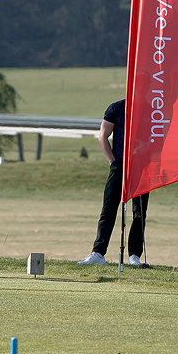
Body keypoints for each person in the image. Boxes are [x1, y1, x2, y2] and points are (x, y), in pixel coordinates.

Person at [78, 99, 150, 267]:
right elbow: (103, 136)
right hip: (119, 164)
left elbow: (157, 136)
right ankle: (98, 252)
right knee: (109, 208)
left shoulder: (150, 109)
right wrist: (113, 161)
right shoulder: (117, 108)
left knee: (139, 212)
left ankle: (134, 256)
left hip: (141, 167)